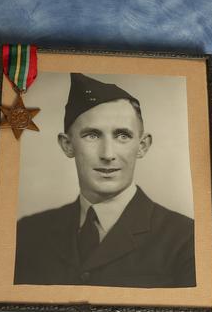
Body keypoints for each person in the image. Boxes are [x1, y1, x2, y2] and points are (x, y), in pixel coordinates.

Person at [14, 73, 195, 288]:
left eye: (122, 136)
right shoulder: (28, 232)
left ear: (143, 145)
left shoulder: (185, 238)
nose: (108, 154)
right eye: (92, 135)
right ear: (67, 145)